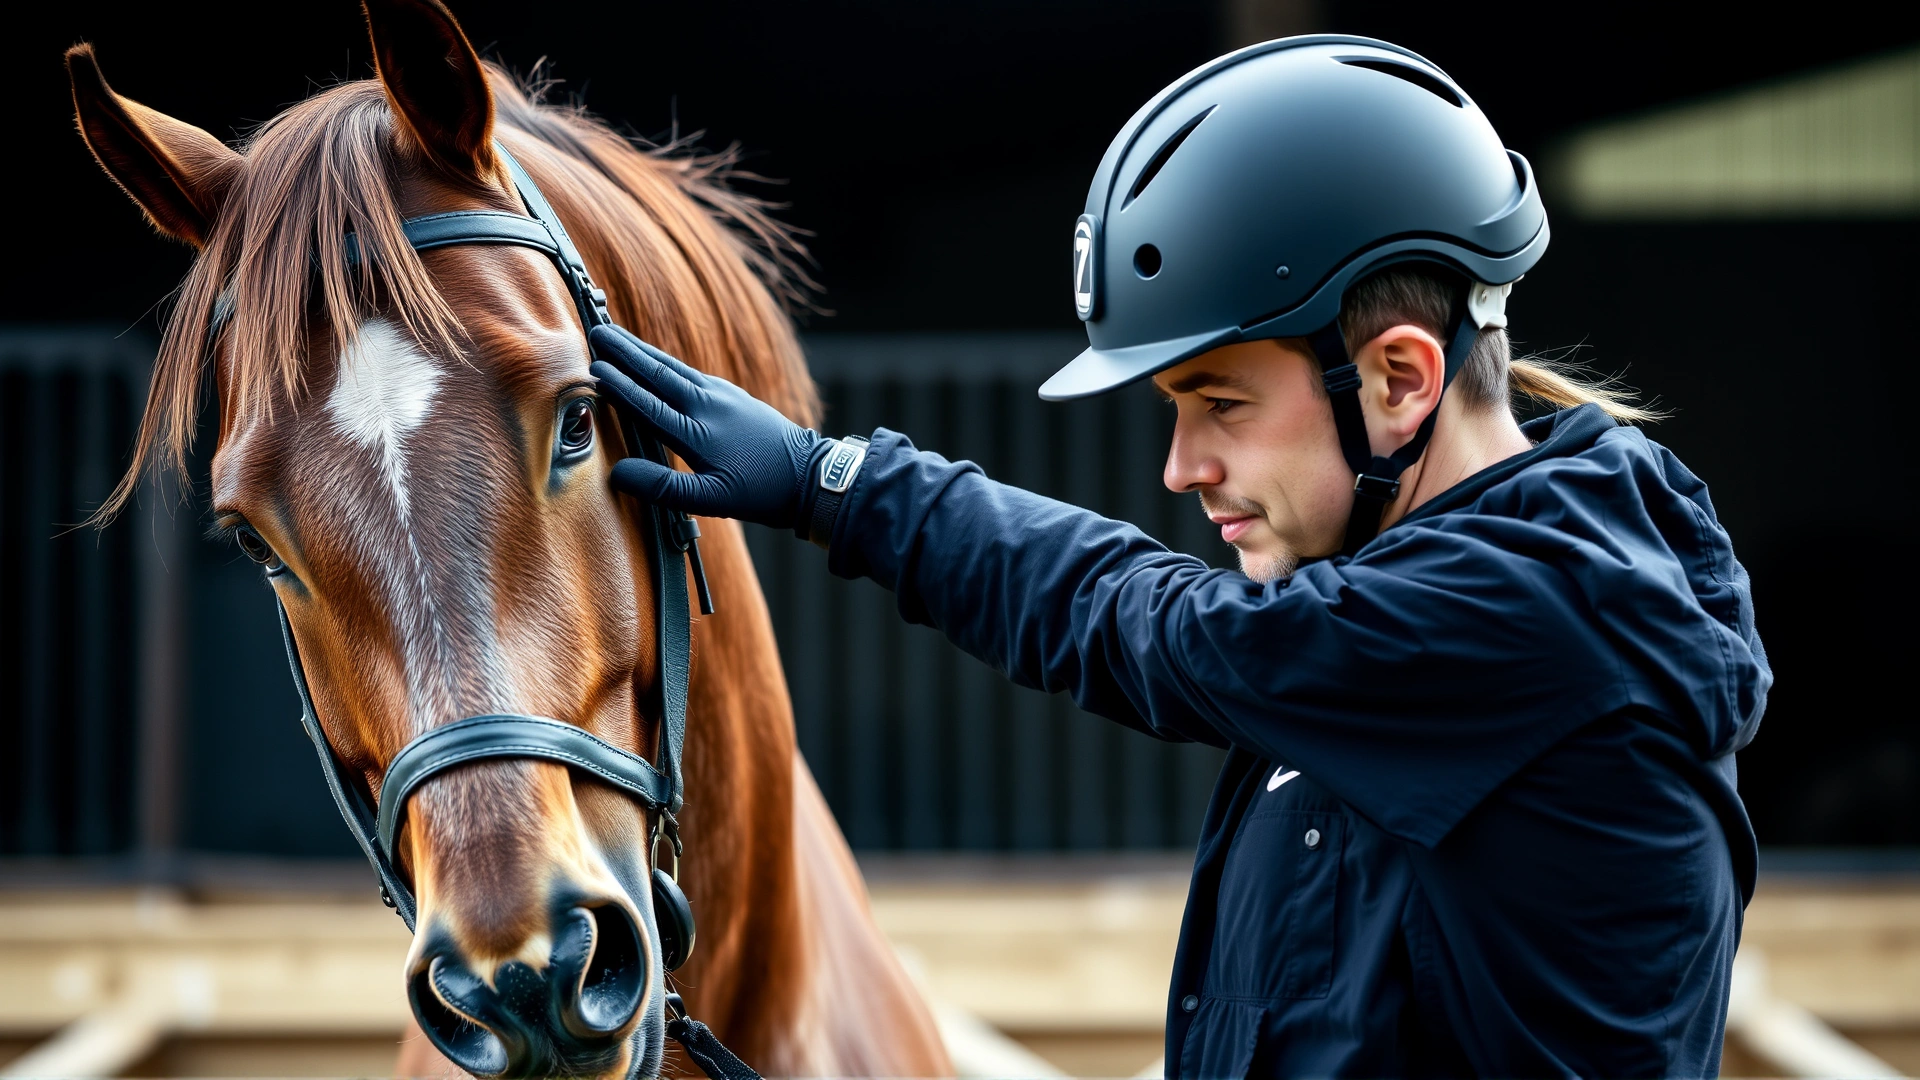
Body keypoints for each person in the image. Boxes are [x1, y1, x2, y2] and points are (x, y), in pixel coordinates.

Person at [587, 36, 1770, 1078]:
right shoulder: (1410, 632)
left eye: (1220, 405)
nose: (1180, 466)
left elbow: (1143, 625)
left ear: (1401, 379)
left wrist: (831, 483)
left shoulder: (1526, 616)